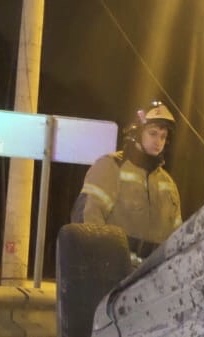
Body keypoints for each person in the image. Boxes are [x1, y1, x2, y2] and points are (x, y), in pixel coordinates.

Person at [71, 100, 182, 264]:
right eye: (152, 133)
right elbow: (88, 218)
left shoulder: (168, 183)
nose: (158, 141)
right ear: (138, 132)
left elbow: (178, 235)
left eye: (163, 136)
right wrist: (103, 261)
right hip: (116, 268)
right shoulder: (111, 166)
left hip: (156, 272)